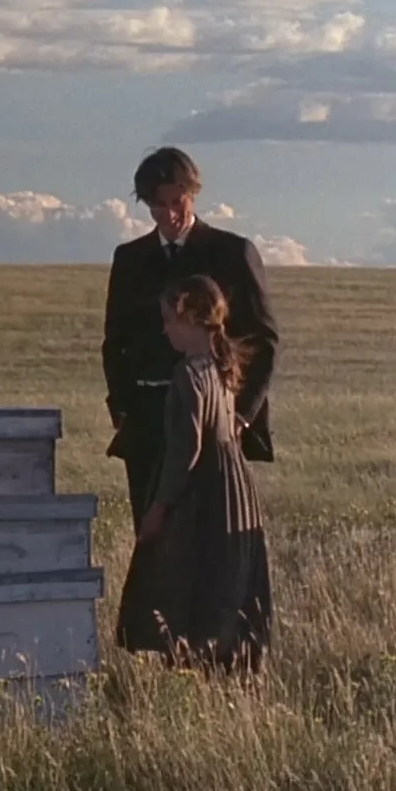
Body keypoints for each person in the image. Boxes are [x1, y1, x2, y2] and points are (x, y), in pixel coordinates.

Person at [102, 147, 279, 529]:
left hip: (213, 413)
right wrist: (121, 407)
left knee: (206, 538)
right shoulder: (130, 259)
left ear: (193, 194)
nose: (168, 213)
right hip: (147, 419)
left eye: (176, 201)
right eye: (156, 204)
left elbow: (262, 340)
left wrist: (241, 417)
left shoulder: (232, 252)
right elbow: (115, 341)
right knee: (151, 536)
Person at [115, 275, 274, 673]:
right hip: (233, 487)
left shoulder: (188, 375)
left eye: (169, 319)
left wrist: (159, 508)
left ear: (189, 317)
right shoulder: (221, 367)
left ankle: (193, 662)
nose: (165, 329)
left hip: (204, 493)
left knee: (190, 580)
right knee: (226, 581)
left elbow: (186, 450)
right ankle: (226, 665)